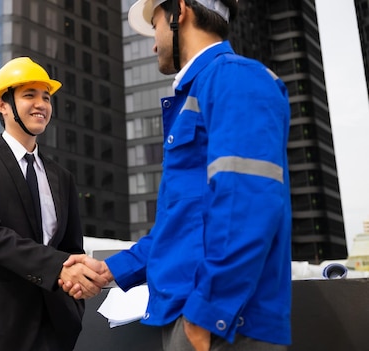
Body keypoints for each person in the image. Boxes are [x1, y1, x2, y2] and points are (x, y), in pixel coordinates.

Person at [62, 0, 292, 350]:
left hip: (225, 323)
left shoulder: (235, 78)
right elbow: (181, 225)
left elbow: (247, 204)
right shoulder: (198, 93)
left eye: (154, 26)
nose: (153, 43)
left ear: (179, 11)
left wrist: (206, 315)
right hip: (197, 315)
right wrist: (110, 270)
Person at [0, 56, 107, 351]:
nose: (41, 104)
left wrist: (77, 285)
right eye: (29, 95)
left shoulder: (61, 177)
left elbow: (70, 248)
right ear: (2, 104)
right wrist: (58, 268)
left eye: (46, 97)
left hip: (51, 328)